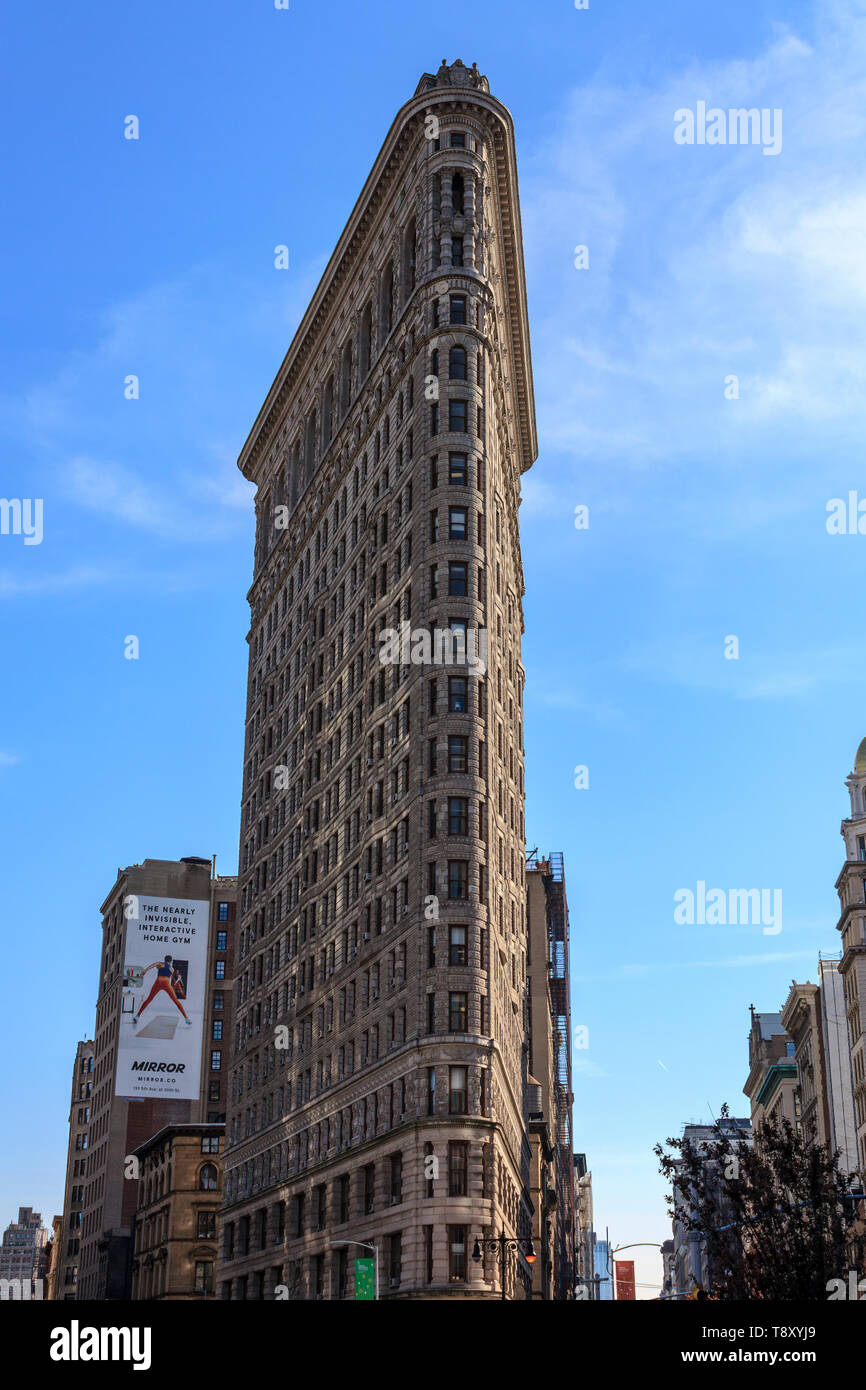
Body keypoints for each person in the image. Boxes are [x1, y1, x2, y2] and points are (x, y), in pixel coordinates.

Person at [134, 955, 191, 1026]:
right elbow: (173, 979)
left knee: (149, 999)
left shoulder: (161, 964)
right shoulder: (171, 969)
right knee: (176, 1001)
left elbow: (152, 966)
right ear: (170, 961)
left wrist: (144, 972)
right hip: (166, 983)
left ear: (164, 960)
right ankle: (186, 1018)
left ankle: (137, 1016)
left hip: (158, 981)